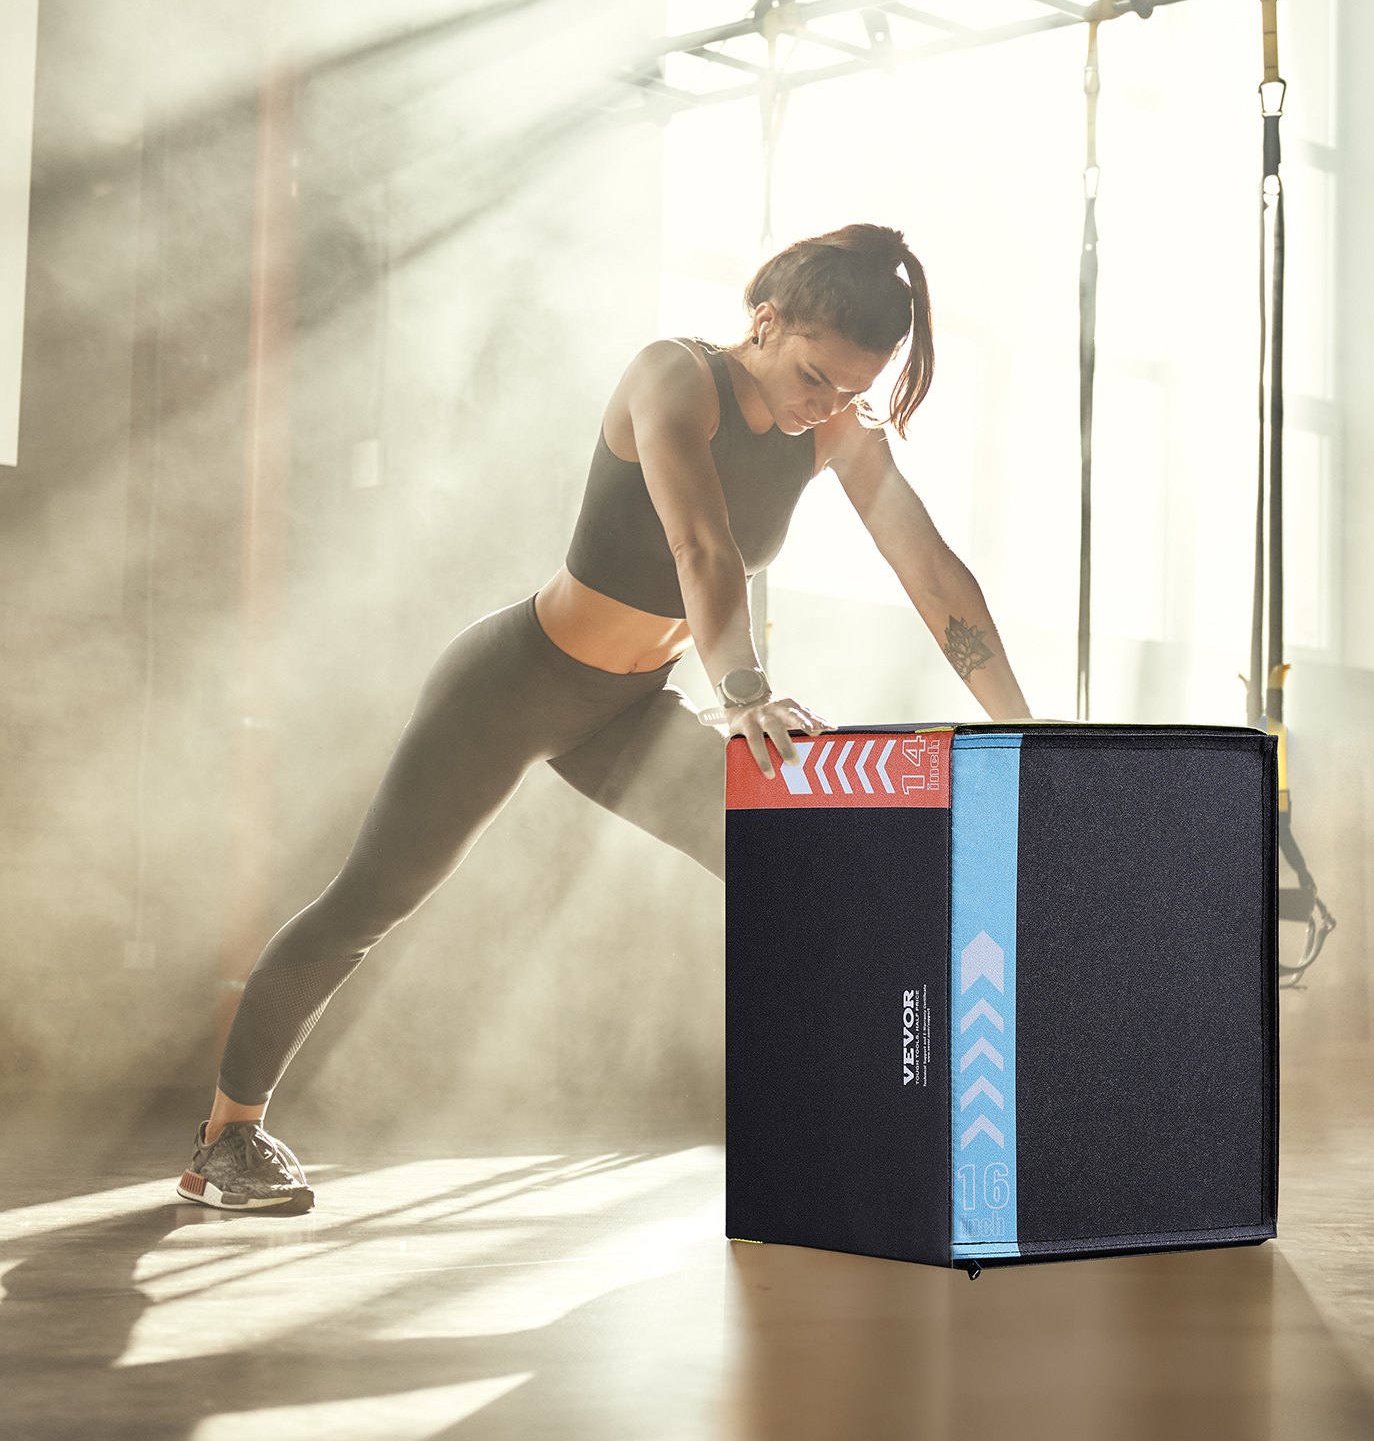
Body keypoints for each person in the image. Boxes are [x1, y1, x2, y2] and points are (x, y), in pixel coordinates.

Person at [175, 221, 1035, 1213]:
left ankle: (861, 1132)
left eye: (851, 391)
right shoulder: (672, 376)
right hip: (510, 685)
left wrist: (1029, 735)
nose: (826, 406)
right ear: (765, 322)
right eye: (815, 377)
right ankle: (225, 1138)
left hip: (625, 711)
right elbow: (700, 547)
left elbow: (934, 576)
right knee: (367, 902)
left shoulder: (835, 429)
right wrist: (743, 693)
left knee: (799, 859)